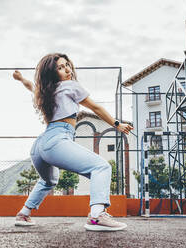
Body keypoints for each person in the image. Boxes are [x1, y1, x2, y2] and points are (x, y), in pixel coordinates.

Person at [12, 53, 133, 231]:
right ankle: (96, 216)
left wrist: (21, 78)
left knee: (48, 181)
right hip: (57, 140)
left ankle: (23, 213)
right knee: (101, 167)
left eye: (67, 64)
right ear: (53, 74)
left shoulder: (45, 92)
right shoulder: (70, 86)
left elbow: (31, 86)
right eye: (60, 68)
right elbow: (95, 107)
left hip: (40, 145)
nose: (67, 69)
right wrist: (117, 124)